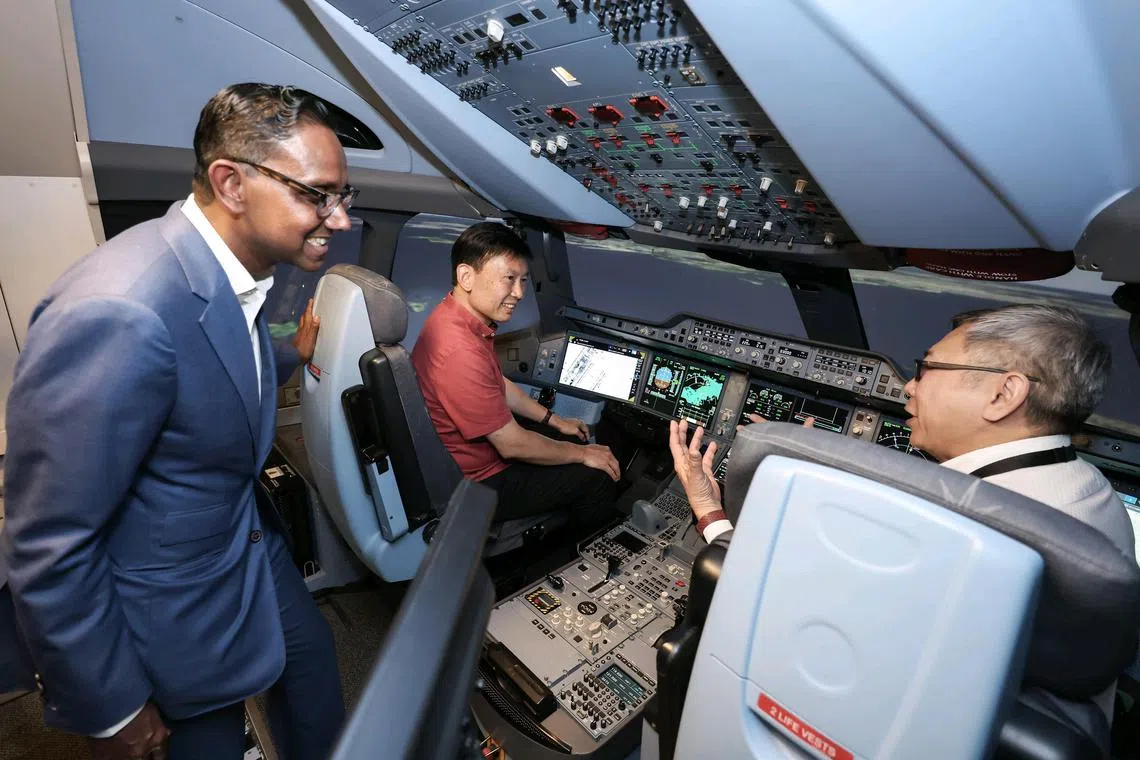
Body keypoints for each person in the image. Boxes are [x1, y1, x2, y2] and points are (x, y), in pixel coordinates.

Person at [0, 83, 352, 760]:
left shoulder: (231, 275)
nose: (337, 219)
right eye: (317, 194)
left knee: (310, 672)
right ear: (232, 183)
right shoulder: (122, 312)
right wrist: (115, 706)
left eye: (343, 196)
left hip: (244, 545)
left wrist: (291, 354)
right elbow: (48, 542)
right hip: (165, 602)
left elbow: (214, 362)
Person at [669, 303, 1134, 726]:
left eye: (927, 368)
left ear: (1003, 394)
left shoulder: (961, 530)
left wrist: (710, 513)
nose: (909, 387)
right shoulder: (1091, 492)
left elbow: (770, 611)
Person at [412, 222, 620, 529]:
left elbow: (498, 384)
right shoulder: (458, 349)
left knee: (570, 435)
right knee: (596, 476)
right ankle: (580, 556)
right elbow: (511, 445)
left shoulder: (454, 319)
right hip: (480, 483)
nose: (520, 292)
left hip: (466, 458)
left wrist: (554, 420)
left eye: (523, 280)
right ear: (466, 276)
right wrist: (582, 455)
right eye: (509, 279)